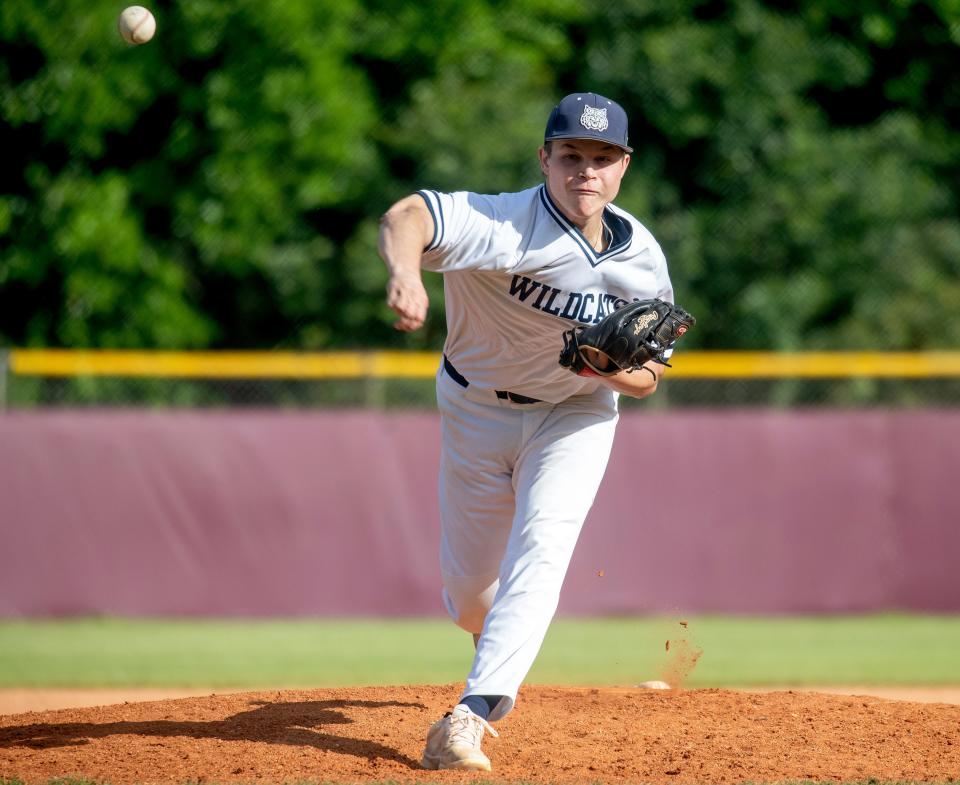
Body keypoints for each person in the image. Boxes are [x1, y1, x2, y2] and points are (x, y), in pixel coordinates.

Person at [378, 92, 678, 771]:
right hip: (476, 410)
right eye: (572, 155)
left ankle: (470, 714)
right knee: (471, 599)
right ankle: (490, 645)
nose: (586, 172)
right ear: (545, 158)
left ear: (624, 167)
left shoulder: (642, 257)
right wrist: (405, 272)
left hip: (575, 414)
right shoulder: (501, 223)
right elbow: (407, 215)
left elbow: (650, 377)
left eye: (603, 159)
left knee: (545, 542)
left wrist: (609, 368)